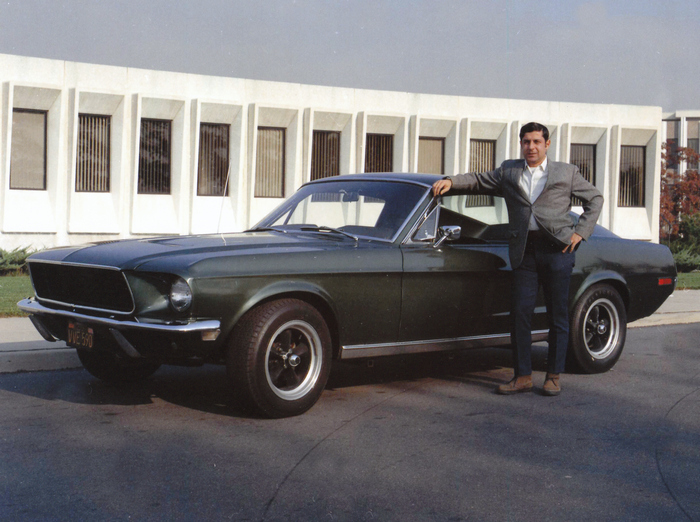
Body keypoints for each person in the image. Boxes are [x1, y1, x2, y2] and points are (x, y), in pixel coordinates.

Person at [432, 122, 603, 396]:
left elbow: (594, 198)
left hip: (557, 250)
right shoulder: (509, 170)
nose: (531, 147)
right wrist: (451, 181)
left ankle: (553, 377)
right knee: (520, 314)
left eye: (536, 142)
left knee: (558, 316)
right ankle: (522, 376)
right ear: (521, 144)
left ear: (547, 144)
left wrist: (580, 233)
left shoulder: (566, 172)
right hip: (524, 251)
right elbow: (478, 180)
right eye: (526, 142)